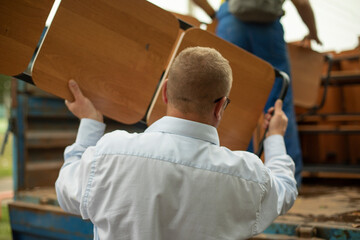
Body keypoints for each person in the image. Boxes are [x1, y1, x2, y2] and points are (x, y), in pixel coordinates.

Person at [56, 47, 297, 240]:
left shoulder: (110, 153)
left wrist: (90, 122)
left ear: (164, 92)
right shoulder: (247, 175)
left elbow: (66, 190)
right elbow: (285, 189)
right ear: (220, 106)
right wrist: (275, 135)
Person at [192, 0, 322, 187]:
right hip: (268, 28)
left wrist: (214, 14)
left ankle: (230, 177)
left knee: (230, 99)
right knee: (279, 99)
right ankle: (286, 180)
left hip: (231, 23)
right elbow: (302, 3)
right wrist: (313, 32)